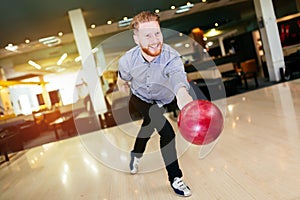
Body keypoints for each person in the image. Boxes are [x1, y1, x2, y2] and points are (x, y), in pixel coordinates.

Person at [117, 11, 193, 197]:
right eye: (147, 35)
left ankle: (135, 154)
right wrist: (121, 86)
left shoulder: (171, 56)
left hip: (164, 98)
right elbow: (121, 79)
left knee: (148, 127)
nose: (154, 40)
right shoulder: (127, 61)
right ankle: (176, 178)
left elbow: (177, 78)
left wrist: (183, 96)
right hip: (140, 97)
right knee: (167, 131)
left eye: (157, 33)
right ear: (136, 39)